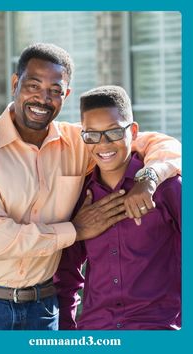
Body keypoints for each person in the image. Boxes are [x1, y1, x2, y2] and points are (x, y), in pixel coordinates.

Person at [0, 43, 181, 330]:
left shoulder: (78, 142)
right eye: (33, 85)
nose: (43, 99)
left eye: (55, 90)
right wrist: (76, 231)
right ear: (15, 83)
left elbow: (157, 143)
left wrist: (149, 177)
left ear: (65, 95)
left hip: (44, 310)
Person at [54, 85, 181, 330]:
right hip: (96, 332)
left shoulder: (166, 188)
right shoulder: (80, 196)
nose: (103, 145)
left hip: (158, 330)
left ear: (133, 131)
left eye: (113, 132)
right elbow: (66, 276)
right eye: (92, 135)